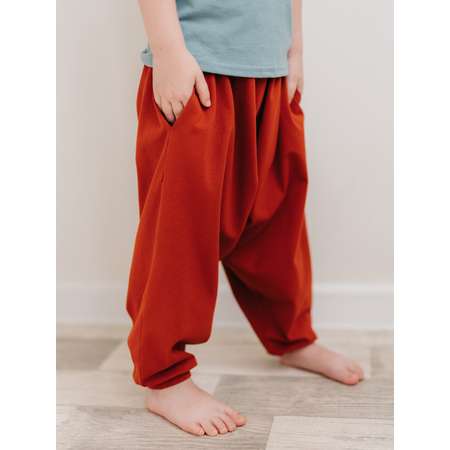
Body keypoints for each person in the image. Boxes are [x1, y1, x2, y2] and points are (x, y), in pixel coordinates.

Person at [126, 0, 364, 437]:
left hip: (270, 70)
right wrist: (168, 51)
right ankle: (164, 377)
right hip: (198, 70)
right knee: (181, 229)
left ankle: (291, 336)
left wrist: (295, 50)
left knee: (276, 221)